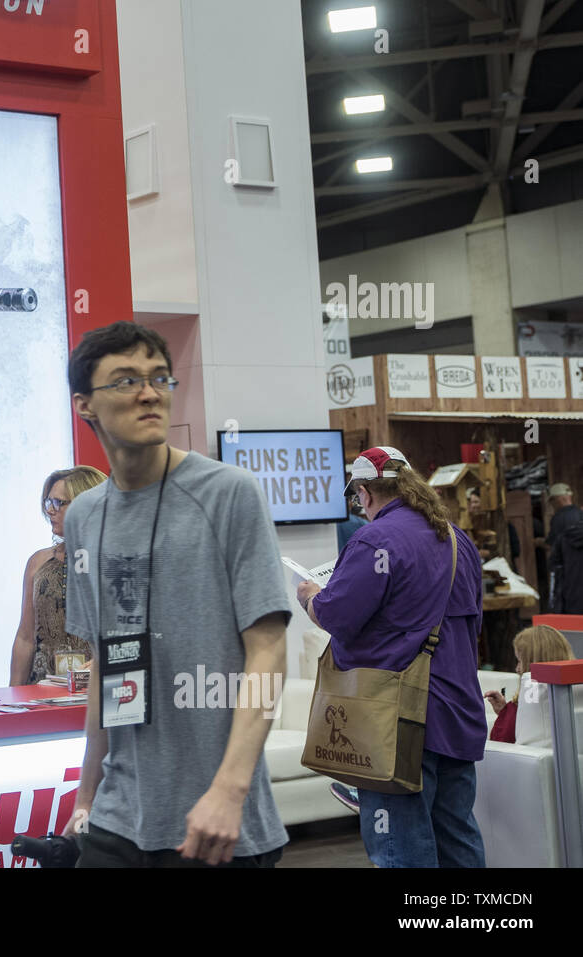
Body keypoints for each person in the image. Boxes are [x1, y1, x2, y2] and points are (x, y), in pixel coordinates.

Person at [60, 321, 291, 868]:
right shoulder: (84, 517)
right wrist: (86, 795)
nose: (148, 392)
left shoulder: (229, 493)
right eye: (124, 380)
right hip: (118, 817)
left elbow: (268, 649)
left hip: (215, 825)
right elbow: (105, 665)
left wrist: (230, 791)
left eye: (159, 378)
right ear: (85, 405)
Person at [298, 446, 486, 868]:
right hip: (457, 713)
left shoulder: (374, 539)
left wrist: (309, 595)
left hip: (398, 723)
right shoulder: (458, 540)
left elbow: (338, 615)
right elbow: (474, 627)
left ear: (364, 493)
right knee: (458, 837)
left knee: (400, 849)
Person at [9, 465, 106, 685]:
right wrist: (13, 698)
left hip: (100, 691)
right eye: (48, 502)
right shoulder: (38, 562)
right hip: (43, 693)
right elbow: (25, 637)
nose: (49, 510)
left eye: (58, 503)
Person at [487, 625, 574, 747]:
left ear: (532, 663)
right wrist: (505, 711)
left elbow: (500, 744)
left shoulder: (527, 702)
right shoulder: (574, 692)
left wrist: (508, 713)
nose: (517, 668)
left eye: (520, 661)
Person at [547, 483, 583, 613]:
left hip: (568, 579)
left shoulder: (558, 519)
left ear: (559, 499)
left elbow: (553, 550)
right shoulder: (579, 514)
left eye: (553, 501)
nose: (553, 505)